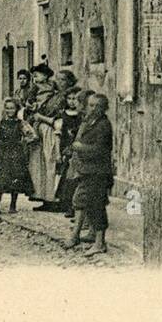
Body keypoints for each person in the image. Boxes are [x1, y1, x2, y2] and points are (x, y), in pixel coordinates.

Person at [66, 93, 114, 255]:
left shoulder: (103, 125)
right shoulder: (90, 122)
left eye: (97, 106)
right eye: (91, 105)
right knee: (84, 201)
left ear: (104, 108)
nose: (93, 109)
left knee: (95, 205)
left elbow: (100, 150)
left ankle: (99, 243)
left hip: (97, 171)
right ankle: (89, 235)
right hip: (87, 170)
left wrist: (80, 147)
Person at [0, 97, 36, 215]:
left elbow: (33, 135)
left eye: (12, 108)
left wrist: (24, 141)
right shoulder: (0, 123)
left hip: (16, 154)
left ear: (17, 109)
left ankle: (12, 205)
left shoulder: (21, 123)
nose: (9, 111)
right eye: (7, 108)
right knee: (0, 180)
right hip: (2, 153)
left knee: (15, 180)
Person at [25, 64, 65, 209]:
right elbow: (29, 102)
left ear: (46, 76)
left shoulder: (54, 87)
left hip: (49, 124)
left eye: (37, 75)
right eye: (33, 76)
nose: (35, 78)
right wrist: (31, 105)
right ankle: (41, 194)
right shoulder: (34, 88)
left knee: (50, 159)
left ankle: (51, 196)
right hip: (39, 121)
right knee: (38, 161)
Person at [54, 87, 87, 218]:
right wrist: (57, 152)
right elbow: (58, 135)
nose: (72, 102)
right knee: (67, 179)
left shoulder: (82, 116)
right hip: (66, 149)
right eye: (69, 99)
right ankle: (67, 205)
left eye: (75, 99)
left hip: (79, 150)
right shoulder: (62, 115)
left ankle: (76, 207)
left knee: (77, 179)